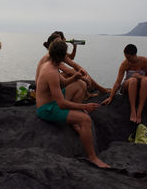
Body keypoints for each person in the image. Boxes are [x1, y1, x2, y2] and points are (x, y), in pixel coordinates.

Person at [36, 39, 110, 168]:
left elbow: (64, 83)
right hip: (47, 108)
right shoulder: (51, 72)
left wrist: (75, 77)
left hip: (54, 101)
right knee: (85, 119)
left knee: (80, 84)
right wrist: (84, 106)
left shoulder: (51, 64)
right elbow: (61, 104)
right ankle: (92, 158)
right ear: (62, 55)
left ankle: (73, 116)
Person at [102, 44, 147, 124]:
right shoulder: (125, 64)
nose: (127, 59)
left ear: (134, 54)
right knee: (133, 80)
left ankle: (139, 112)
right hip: (129, 85)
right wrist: (111, 97)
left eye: (128, 57)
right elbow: (118, 82)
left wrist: (140, 76)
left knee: (145, 80)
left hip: (143, 86)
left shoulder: (145, 61)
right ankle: (133, 110)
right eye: (125, 57)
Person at [36, 33, 87, 103]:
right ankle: (76, 108)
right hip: (46, 96)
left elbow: (73, 63)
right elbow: (69, 71)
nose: (62, 42)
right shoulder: (51, 60)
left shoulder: (53, 56)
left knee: (78, 80)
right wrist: (85, 78)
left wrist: (80, 74)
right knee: (80, 83)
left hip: (46, 93)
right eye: (58, 41)